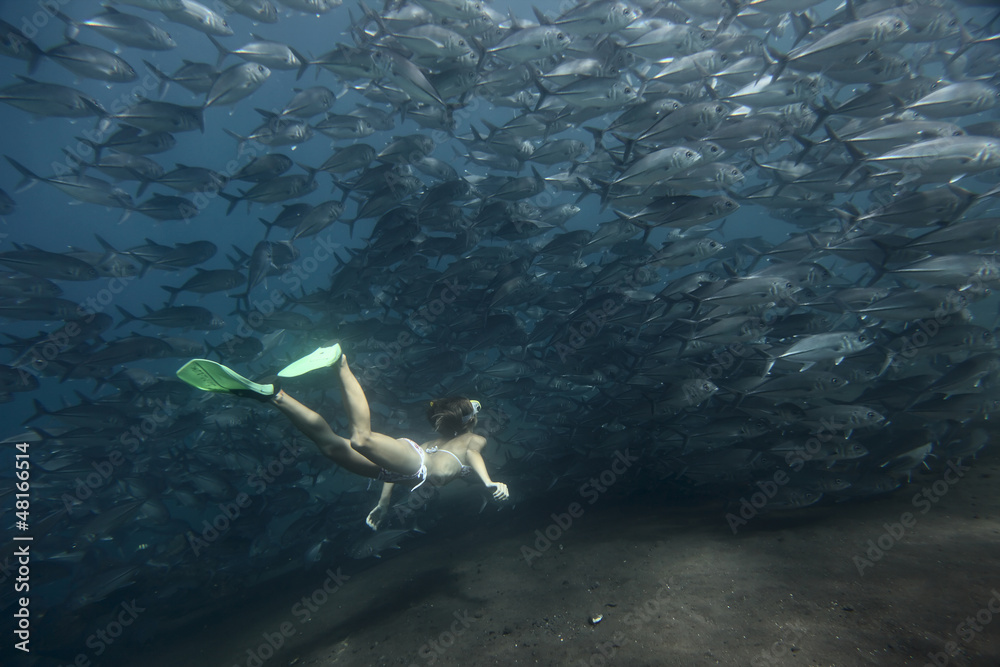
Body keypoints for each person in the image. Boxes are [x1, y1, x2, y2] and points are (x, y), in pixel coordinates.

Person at [176, 344, 509, 530]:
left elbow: (399, 470)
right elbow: (475, 457)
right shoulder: (472, 440)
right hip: (414, 464)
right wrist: (490, 482)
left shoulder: (440, 442)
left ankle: (274, 397)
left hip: (397, 469)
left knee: (331, 446)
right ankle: (340, 362)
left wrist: (382, 504)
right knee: (360, 439)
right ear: (471, 421)